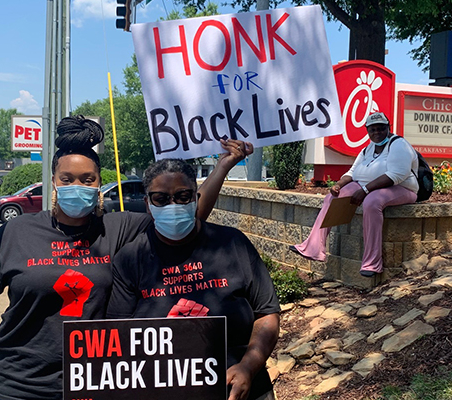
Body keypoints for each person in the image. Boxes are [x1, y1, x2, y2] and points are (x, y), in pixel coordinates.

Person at [0, 115, 253, 400]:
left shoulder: (119, 230)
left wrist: (221, 167)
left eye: (88, 179)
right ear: (53, 181)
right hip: (14, 385)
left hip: (93, 385)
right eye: (67, 178)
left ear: (99, 183)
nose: (77, 186)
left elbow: (183, 217)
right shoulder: (18, 231)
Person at [107, 159, 281, 400]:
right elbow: (118, 335)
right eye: (161, 198)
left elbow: (267, 314)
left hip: (239, 390)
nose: (173, 204)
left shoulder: (233, 243)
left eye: (183, 196)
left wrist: (248, 367)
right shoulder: (130, 258)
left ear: (196, 199)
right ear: (148, 204)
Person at [291, 111, 419, 277]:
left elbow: (397, 175)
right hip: (366, 186)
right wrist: (338, 185)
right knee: (332, 197)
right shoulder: (368, 148)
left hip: (403, 189)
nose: (377, 132)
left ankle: (372, 263)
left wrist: (365, 191)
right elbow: (352, 172)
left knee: (372, 201)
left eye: (380, 128)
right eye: (372, 129)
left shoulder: (399, 144)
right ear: (367, 131)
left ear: (388, 128)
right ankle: (314, 248)